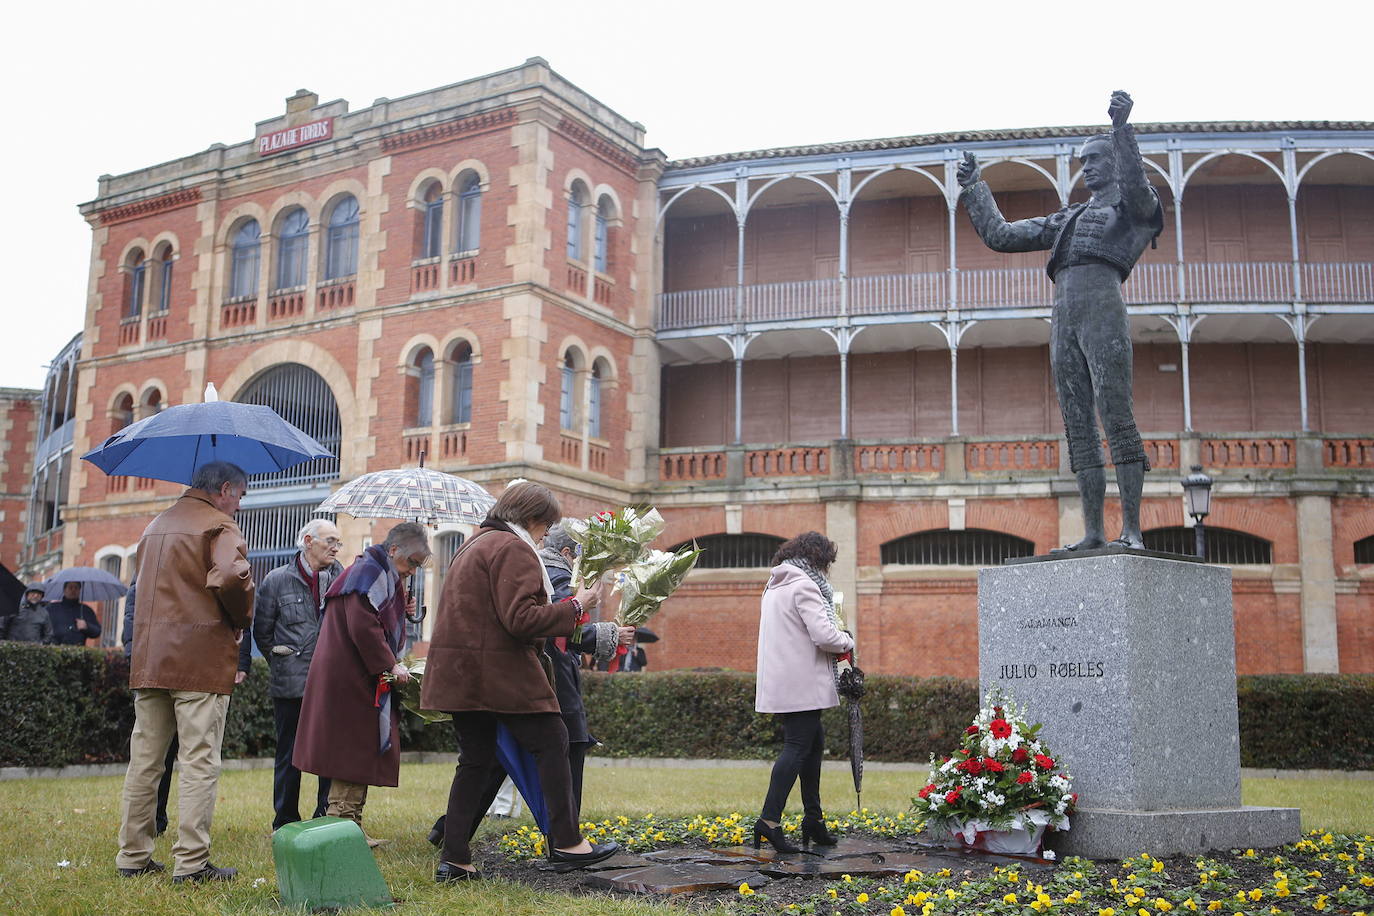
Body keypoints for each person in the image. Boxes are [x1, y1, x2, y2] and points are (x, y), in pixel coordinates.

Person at [958, 90, 1163, 552]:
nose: (1086, 167)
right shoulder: (1069, 217)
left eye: (1095, 159)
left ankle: (1131, 529)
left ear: (1113, 161)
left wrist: (1121, 129)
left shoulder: (1134, 206)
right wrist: (975, 188)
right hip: (1064, 313)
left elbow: (1135, 183)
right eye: (1083, 161)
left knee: (1116, 413)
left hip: (1102, 304)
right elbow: (1003, 235)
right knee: (1077, 422)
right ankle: (1093, 530)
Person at [422, 481, 619, 882]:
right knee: (553, 740)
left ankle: (455, 859)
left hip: (462, 677)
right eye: (546, 526)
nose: (546, 534)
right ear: (531, 518)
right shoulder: (512, 548)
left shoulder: (476, 543)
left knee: (475, 762)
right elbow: (522, 619)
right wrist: (579, 604)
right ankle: (567, 843)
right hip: (498, 675)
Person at [115, 461, 255, 883]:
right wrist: (241, 618)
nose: (240, 506)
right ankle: (192, 863)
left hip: (151, 659)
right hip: (199, 659)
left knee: (145, 761)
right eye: (241, 497)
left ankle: (132, 856)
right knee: (199, 761)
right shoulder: (219, 526)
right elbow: (233, 576)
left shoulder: (154, 525)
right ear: (225, 489)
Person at [292, 522, 427, 846]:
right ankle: (340, 825)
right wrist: (390, 664)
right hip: (350, 680)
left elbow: (376, 618)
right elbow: (364, 626)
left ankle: (352, 825)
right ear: (393, 550)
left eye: (418, 566)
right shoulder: (367, 573)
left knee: (361, 753)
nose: (412, 570)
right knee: (350, 754)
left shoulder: (382, 574)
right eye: (410, 563)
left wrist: (402, 605)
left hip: (359, 677)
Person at [753, 531, 854, 853]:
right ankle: (769, 821)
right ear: (818, 558)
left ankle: (814, 819)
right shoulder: (805, 586)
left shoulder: (775, 587)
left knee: (812, 746)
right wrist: (848, 640)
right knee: (797, 749)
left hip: (786, 681)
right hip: (803, 684)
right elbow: (824, 636)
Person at [252, 519, 344, 830]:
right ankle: (285, 819)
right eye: (329, 541)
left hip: (331, 682)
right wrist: (285, 663)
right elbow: (262, 633)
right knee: (289, 753)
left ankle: (325, 816)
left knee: (329, 751)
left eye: (338, 542)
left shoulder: (341, 577)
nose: (335, 547)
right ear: (307, 540)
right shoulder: (276, 580)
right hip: (290, 682)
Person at [539, 521, 634, 812]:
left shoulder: (550, 570)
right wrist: (612, 634)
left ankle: (450, 827)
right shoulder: (558, 575)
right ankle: (568, 836)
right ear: (567, 552)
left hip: (553, 674)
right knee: (571, 751)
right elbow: (560, 625)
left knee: (495, 764)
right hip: (556, 677)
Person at [121, 580, 175, 837]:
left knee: (154, 753)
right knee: (151, 753)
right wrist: (133, 659)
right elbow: (132, 620)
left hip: (156, 665)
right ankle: (151, 820)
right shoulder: (141, 579)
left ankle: (156, 818)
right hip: (152, 668)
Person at [47, 580, 102, 645]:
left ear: (79, 591)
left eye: (76, 588)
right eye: (70, 587)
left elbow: (97, 632)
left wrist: (87, 626)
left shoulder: (86, 610)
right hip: (55, 649)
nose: (73, 590)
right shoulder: (52, 608)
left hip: (78, 651)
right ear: (64, 590)